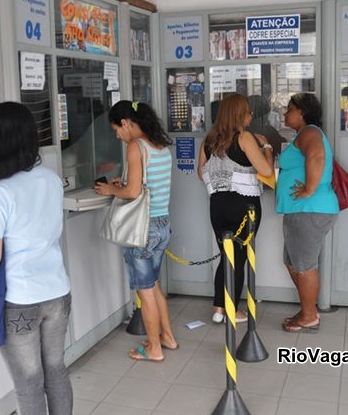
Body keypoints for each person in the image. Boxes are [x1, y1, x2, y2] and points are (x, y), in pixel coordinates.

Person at [0, 102, 73, 414]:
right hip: (57, 292)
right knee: (56, 371)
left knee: (29, 384)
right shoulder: (50, 179)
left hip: (19, 301)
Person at [94, 100, 178, 361]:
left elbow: (133, 193)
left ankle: (153, 348)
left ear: (126, 123)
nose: (117, 135)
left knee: (145, 291)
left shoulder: (135, 145)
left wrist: (111, 189)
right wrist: (125, 182)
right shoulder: (160, 145)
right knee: (153, 286)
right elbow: (146, 184)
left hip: (142, 230)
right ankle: (167, 337)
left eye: (116, 129)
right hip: (162, 224)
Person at [197, 93, 274, 324]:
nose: (251, 115)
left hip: (217, 206)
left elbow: (201, 174)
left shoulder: (208, 139)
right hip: (244, 206)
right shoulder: (245, 138)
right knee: (238, 257)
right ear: (240, 114)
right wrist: (267, 146)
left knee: (226, 256)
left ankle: (219, 308)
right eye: (249, 111)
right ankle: (232, 310)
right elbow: (267, 171)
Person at [278, 93, 338, 333]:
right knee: (293, 262)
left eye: (289, 109)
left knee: (304, 265)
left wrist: (309, 188)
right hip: (300, 210)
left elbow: (316, 155)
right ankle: (307, 309)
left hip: (309, 210)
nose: (285, 113)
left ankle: (310, 315)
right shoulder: (303, 134)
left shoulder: (309, 132)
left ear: (301, 112)